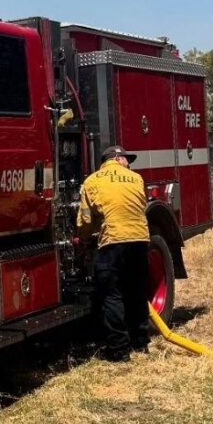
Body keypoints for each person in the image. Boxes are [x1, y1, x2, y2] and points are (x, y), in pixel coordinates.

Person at [77, 145, 151, 362]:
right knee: (137, 292)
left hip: (113, 243)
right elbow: (138, 205)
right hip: (139, 240)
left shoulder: (91, 181)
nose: (129, 163)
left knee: (112, 296)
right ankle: (141, 342)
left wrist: (83, 239)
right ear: (118, 159)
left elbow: (86, 219)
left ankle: (119, 352)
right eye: (127, 159)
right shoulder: (136, 178)